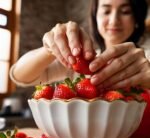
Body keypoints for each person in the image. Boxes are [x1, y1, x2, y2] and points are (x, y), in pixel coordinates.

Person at [10, 0, 150, 90]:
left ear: (137, 18)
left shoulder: (146, 60)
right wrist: (49, 49)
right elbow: (20, 76)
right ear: (95, 17)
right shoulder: (80, 60)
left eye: (125, 12)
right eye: (106, 11)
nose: (114, 20)